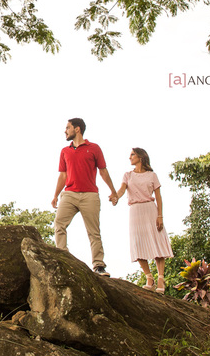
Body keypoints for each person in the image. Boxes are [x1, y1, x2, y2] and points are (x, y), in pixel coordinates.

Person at [52, 118, 117, 276]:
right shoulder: (65, 151)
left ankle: (99, 265)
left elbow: (103, 171)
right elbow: (63, 176)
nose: (65, 131)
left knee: (93, 232)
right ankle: (63, 257)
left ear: (77, 129)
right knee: (59, 224)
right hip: (69, 194)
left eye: (68, 128)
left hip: (90, 195)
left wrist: (113, 191)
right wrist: (55, 196)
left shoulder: (94, 148)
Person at [111, 147, 173, 292]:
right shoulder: (128, 175)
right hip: (135, 211)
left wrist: (160, 216)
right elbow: (121, 190)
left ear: (140, 157)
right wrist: (115, 197)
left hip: (150, 209)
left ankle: (161, 279)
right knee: (137, 244)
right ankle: (149, 277)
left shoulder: (152, 175)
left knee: (157, 243)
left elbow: (158, 197)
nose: (130, 157)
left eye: (132, 154)